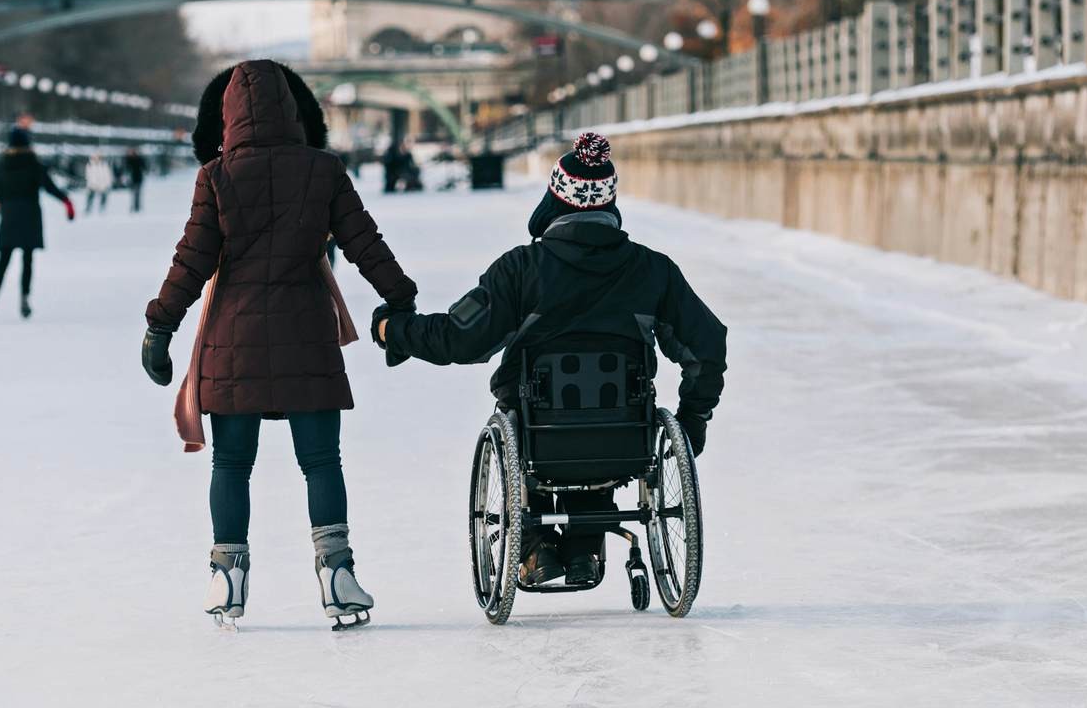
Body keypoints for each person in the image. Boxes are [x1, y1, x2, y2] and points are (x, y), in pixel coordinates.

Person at [375, 132, 727, 587]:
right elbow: (707, 345)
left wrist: (394, 332)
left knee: (532, 421)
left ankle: (535, 549)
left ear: (555, 200)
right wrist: (692, 419)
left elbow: (459, 339)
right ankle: (584, 546)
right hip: (624, 439)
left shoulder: (521, 270)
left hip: (539, 438)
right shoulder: (652, 270)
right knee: (602, 426)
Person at [142, 60, 417, 629]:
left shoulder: (217, 177)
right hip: (306, 339)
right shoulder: (323, 170)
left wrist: (160, 325)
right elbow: (365, 243)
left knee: (231, 463)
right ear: (295, 111)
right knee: (321, 462)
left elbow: (191, 260)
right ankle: (338, 574)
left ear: (227, 117)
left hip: (232, 341)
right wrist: (400, 299)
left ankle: (227, 575)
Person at [0, 116, 74, 320]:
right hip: (30, 214)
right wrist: (66, 201)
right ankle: (25, 298)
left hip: (10, 216)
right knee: (27, 259)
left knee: (3, 260)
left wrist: (1, 202)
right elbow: (48, 186)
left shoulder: (2, 164)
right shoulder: (33, 163)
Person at [123, 146, 146, 213]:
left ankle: (137, 207)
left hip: (138, 178)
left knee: (137, 193)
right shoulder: (128, 159)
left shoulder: (139, 159)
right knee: (133, 193)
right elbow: (126, 167)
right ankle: (134, 206)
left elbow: (144, 167)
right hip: (132, 179)